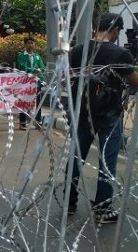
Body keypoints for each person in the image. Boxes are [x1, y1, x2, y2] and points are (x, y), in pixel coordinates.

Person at [66, 13, 138, 224]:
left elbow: (71, 78)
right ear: (115, 29)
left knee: (76, 157)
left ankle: (69, 202)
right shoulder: (119, 54)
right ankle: (102, 208)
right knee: (107, 161)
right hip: (109, 114)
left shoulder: (78, 51)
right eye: (119, 30)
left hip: (83, 111)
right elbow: (135, 82)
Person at [16, 36, 45, 130]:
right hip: (25, 82)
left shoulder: (37, 56)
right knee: (24, 102)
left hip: (37, 81)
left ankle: (38, 122)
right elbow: (21, 67)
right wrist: (34, 70)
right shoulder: (21, 55)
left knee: (38, 101)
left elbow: (42, 67)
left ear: (35, 44)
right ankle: (22, 122)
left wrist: (40, 70)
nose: (31, 45)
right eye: (28, 43)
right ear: (25, 44)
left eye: (32, 43)